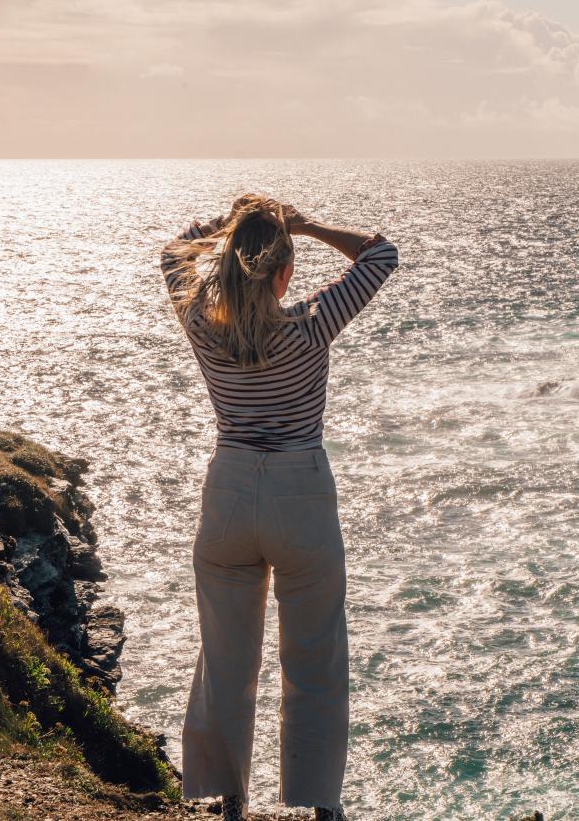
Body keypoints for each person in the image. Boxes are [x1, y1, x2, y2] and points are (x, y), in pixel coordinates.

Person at [159, 195, 400, 821]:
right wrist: (307, 225)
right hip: (301, 491)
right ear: (284, 274)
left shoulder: (201, 323)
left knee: (225, 654)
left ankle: (226, 798)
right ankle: (319, 804)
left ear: (232, 265)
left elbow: (172, 250)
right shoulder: (311, 322)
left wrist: (236, 225)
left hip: (230, 491)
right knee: (315, 654)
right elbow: (381, 252)